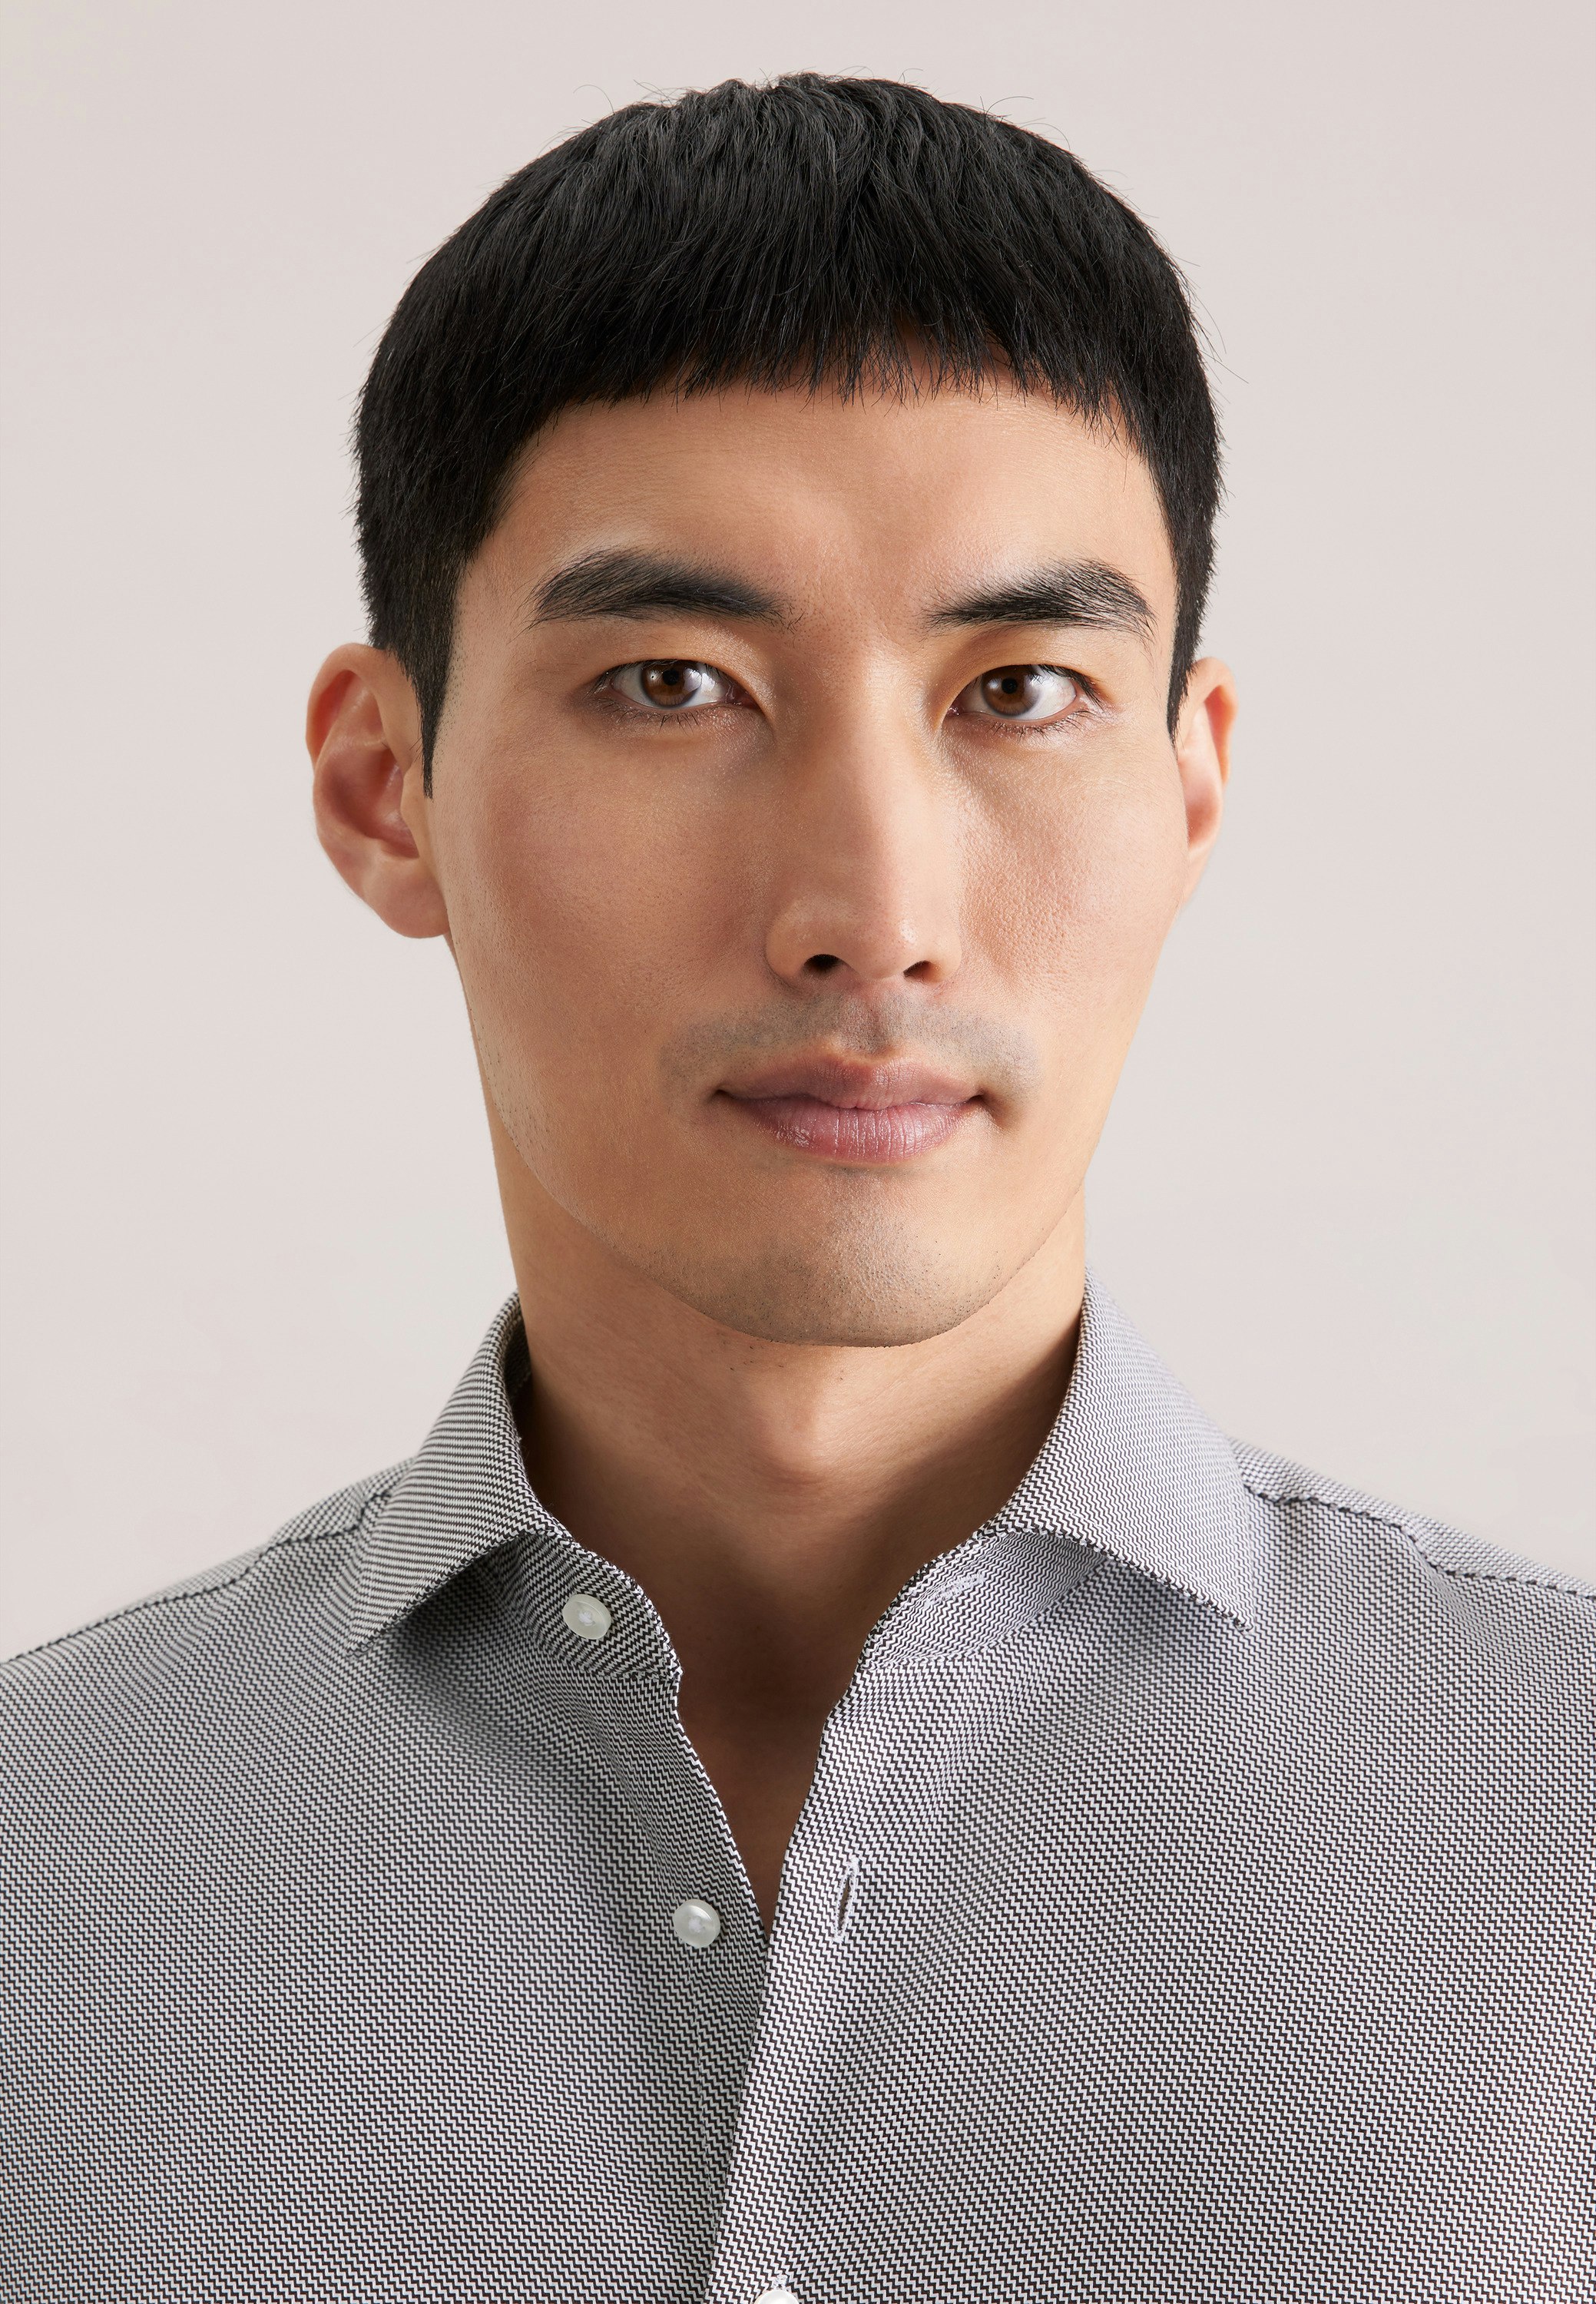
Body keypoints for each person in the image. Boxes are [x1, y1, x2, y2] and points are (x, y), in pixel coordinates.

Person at [2, 73, 1589, 2304]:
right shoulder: (34, 1893)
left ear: (1190, 785)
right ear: (385, 786)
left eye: (1021, 689)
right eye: (674, 686)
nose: (872, 915)